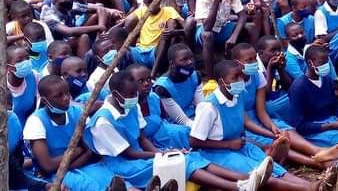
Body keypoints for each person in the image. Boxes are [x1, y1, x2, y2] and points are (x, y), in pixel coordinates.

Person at [85, 70, 270, 190]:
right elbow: (130, 154)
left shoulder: (130, 105)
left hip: (141, 154)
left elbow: (142, 139)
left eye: (135, 93)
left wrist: (162, 152)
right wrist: (161, 155)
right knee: (181, 162)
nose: (135, 98)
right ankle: (239, 186)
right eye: (130, 95)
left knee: (188, 156)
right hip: (124, 164)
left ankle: (245, 178)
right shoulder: (103, 122)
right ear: (115, 95)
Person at [190, 59, 337, 191]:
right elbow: (195, 142)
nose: (240, 80)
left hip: (241, 146)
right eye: (235, 78)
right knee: (258, 175)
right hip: (218, 154)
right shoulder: (208, 107)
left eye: (241, 76)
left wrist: (269, 136)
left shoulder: (236, 96)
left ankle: (311, 184)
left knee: (274, 168)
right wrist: (228, 144)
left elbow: (244, 123)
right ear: (222, 82)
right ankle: (311, 188)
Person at [231, 44, 338, 170]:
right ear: (237, 62)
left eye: (254, 58)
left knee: (285, 131)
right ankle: (319, 163)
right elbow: (245, 121)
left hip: (258, 117)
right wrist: (271, 134)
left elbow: (261, 111)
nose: (253, 62)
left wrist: (273, 128)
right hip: (242, 125)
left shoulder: (257, 76)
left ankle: (317, 151)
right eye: (248, 60)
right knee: (277, 142)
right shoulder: (234, 83)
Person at [23, 75, 116, 190]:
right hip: (54, 176)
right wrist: (78, 150)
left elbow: (89, 151)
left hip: (82, 164)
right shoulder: (36, 122)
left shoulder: (78, 112)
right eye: (59, 96)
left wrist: (73, 162)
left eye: (67, 93)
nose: (66, 98)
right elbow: (47, 166)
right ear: (44, 100)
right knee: (88, 185)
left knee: (109, 179)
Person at [196, 0, 246, 75]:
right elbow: (207, 27)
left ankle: (244, 64)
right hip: (204, 29)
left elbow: (242, 15)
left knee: (248, 28)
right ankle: (210, 77)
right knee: (207, 35)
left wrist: (234, 36)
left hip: (223, 27)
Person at [125, 0, 185, 77]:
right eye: (148, 3)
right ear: (144, 3)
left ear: (159, 0)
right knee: (121, 44)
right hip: (139, 50)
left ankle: (153, 74)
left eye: (154, 2)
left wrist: (175, 32)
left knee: (164, 35)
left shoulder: (168, 11)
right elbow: (128, 22)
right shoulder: (142, 11)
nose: (151, 6)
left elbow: (185, 27)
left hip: (155, 52)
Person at [128, 64, 190, 150]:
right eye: (140, 81)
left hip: (162, 133)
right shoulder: (129, 106)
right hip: (144, 144)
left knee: (184, 132)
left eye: (148, 79)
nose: (146, 84)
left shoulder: (154, 97)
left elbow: (164, 117)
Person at [40, 0, 108, 56]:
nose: (69, 0)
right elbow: (69, 31)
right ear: (55, 1)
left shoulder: (72, 6)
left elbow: (100, 9)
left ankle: (98, 43)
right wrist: (98, 27)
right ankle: (84, 64)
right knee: (84, 37)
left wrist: (101, 28)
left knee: (95, 16)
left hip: (71, 38)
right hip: (58, 45)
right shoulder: (50, 16)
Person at [154, 43, 203, 125]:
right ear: (172, 63)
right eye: (184, 59)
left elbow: (201, 106)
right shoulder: (162, 87)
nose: (190, 62)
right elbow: (181, 120)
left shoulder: (195, 76)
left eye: (191, 58)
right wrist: (200, 128)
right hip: (175, 124)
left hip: (193, 116)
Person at [8, 44, 39, 126]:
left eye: (27, 58)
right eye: (19, 61)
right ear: (8, 67)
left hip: (26, 125)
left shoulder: (33, 76)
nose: (26, 62)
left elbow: (39, 104)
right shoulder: (3, 86)